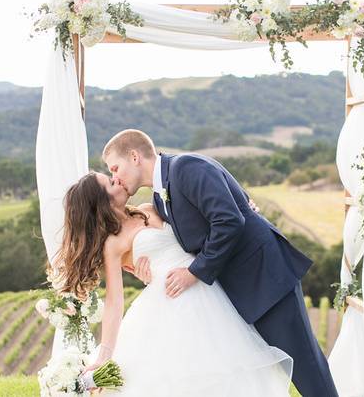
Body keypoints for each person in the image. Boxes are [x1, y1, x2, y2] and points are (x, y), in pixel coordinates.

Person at [100, 129, 338, 397]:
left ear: (134, 156)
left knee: (307, 367)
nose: (115, 177)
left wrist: (193, 272)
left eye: (115, 168)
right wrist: (153, 269)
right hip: (233, 292)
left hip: (264, 278)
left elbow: (229, 221)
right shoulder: (158, 197)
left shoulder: (186, 167)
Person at [50, 170, 293, 396]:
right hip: (169, 302)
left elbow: (196, 227)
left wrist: (242, 207)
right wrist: (104, 354)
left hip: (206, 290)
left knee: (227, 366)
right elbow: (115, 301)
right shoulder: (112, 244)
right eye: (111, 183)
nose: (119, 179)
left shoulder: (149, 208)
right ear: (100, 201)